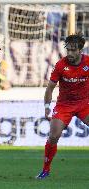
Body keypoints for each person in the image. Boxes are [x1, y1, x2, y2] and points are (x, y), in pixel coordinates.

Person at [36, 33, 89, 179]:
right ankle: (45, 170)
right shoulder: (60, 65)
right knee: (53, 136)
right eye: (68, 50)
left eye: (73, 50)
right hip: (64, 105)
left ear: (80, 50)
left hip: (84, 104)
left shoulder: (88, 62)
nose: (70, 53)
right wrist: (47, 107)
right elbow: (50, 88)